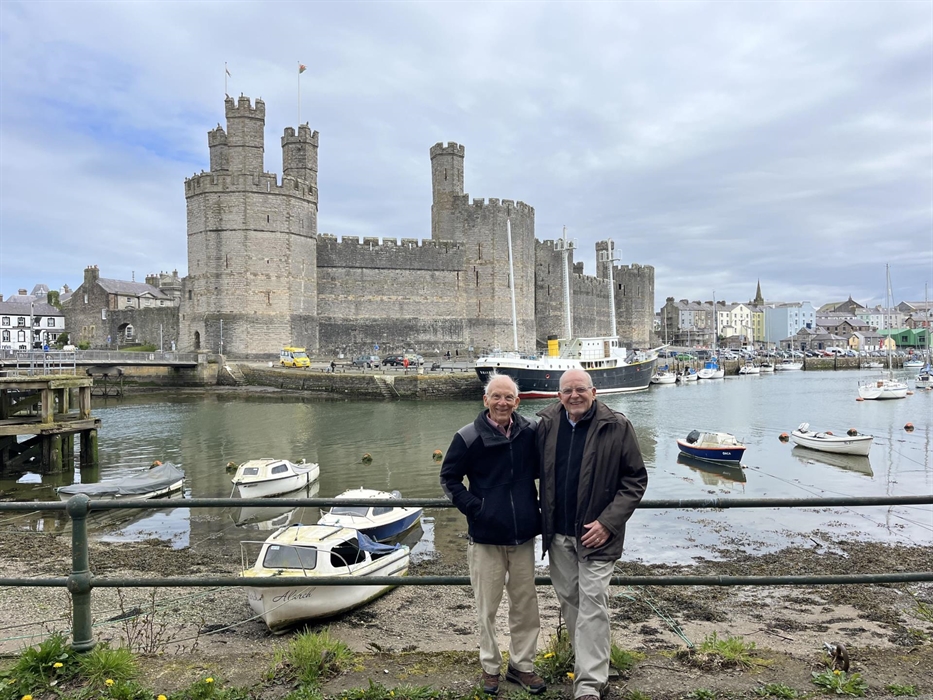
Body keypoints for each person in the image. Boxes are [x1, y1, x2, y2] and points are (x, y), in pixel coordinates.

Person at [535, 369, 648, 700]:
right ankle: (589, 662)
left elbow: (635, 480)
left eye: (580, 389)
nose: (574, 395)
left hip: (598, 535)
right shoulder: (546, 424)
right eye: (567, 390)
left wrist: (608, 523)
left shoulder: (617, 425)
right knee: (570, 601)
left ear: (594, 392)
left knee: (593, 602)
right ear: (559, 396)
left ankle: (589, 683)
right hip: (558, 533)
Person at [440, 373, 547, 696]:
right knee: (486, 608)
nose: (503, 402)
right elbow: (449, 479)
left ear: (518, 401)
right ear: (485, 400)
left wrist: (539, 512)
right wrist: (477, 508)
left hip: (523, 536)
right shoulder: (468, 436)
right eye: (496, 397)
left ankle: (522, 666)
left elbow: (548, 470)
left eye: (509, 397)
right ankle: (490, 667)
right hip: (485, 537)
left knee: (525, 605)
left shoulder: (530, 432)